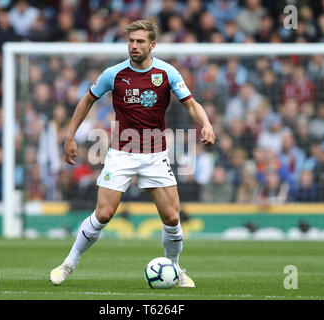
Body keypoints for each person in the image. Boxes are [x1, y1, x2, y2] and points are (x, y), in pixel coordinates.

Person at [50, 20, 216, 288]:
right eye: (131, 41)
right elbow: (87, 100)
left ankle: (175, 269)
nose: (134, 46)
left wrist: (206, 124)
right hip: (121, 153)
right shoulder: (113, 74)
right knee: (103, 214)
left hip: (155, 154)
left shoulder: (166, 72)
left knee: (172, 218)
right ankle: (68, 263)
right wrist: (70, 136)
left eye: (140, 41)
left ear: (152, 45)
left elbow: (192, 105)